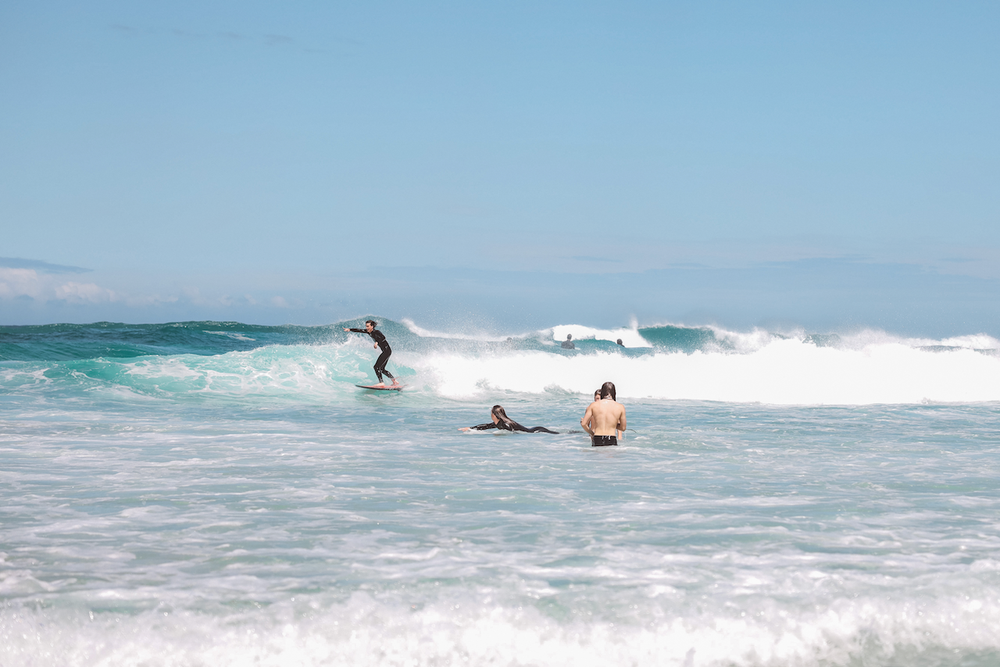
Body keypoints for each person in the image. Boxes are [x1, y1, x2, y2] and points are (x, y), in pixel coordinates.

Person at [343, 320, 398, 387]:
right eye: (366, 326)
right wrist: (350, 329)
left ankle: (381, 382)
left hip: (387, 351)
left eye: (368, 326)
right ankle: (394, 381)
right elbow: (359, 330)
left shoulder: (377, 332)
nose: (366, 328)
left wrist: (377, 342)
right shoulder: (368, 332)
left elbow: (383, 338)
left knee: (376, 367)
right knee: (382, 369)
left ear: (372, 326)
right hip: (386, 351)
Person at [581, 381, 626, 446]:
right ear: (614, 393)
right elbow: (623, 428)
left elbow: (583, 424)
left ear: (602, 392)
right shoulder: (620, 407)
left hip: (597, 438)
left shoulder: (593, 405)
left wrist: (592, 433)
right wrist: (611, 425)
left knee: (596, 455)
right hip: (611, 438)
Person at [461, 405, 558, 434]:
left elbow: (513, 433)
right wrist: (470, 428)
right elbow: (485, 426)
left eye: (491, 412)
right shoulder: (498, 423)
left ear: (494, 415)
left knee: (559, 434)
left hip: (537, 431)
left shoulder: (505, 424)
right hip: (535, 431)